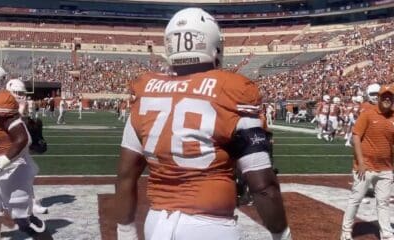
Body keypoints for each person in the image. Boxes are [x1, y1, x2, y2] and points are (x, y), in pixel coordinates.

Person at [114, 7, 291, 240]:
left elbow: (126, 175)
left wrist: (125, 231)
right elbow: (263, 187)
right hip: (210, 225)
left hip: (157, 223)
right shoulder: (232, 90)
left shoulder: (147, 92)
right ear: (213, 46)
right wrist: (282, 234)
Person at [0, 64, 52, 240]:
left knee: (23, 220)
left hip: (11, 164)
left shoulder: (2, 102)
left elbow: (21, 139)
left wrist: (0, 165)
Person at [340, 84, 394, 240]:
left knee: (383, 202)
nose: (387, 99)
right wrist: (361, 162)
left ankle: (386, 233)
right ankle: (346, 231)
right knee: (356, 199)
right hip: (366, 167)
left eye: (390, 97)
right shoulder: (368, 114)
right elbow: (356, 136)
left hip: (386, 168)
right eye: (384, 96)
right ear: (379, 98)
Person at [6, 79, 49, 215]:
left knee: (28, 171)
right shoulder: (2, 105)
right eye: (18, 93)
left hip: (17, 150)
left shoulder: (19, 108)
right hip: (2, 150)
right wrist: (20, 112)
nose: (21, 96)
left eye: (23, 93)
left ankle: (32, 202)